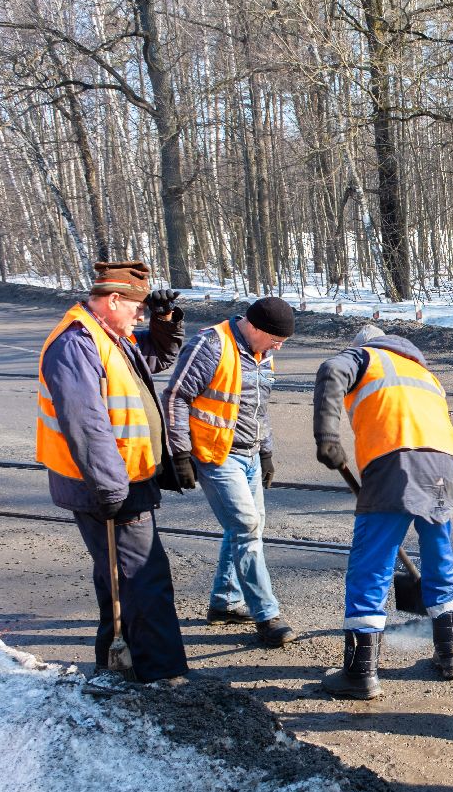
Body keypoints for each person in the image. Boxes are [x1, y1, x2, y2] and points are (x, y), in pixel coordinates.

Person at [35, 261, 188, 682]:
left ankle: (117, 664)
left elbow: (154, 358)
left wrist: (164, 320)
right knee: (143, 578)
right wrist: (110, 488)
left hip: (123, 478)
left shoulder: (106, 335)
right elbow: (86, 424)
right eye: (137, 308)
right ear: (113, 299)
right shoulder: (76, 344)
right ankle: (160, 675)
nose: (138, 317)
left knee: (118, 577)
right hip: (109, 483)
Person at [313, 323, 453, 700]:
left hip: (394, 462)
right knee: (439, 556)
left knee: (372, 563)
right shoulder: (422, 370)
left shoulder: (366, 356)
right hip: (444, 464)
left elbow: (331, 371)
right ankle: (452, 655)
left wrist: (327, 437)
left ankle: (360, 673)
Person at [163, 298, 296, 647]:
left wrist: (265, 452)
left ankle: (225, 602)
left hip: (248, 455)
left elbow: (257, 409)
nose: (278, 347)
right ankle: (267, 616)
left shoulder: (262, 354)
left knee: (247, 527)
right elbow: (176, 396)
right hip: (215, 454)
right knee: (246, 528)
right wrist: (180, 453)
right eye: (275, 339)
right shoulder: (211, 345)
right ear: (254, 327)